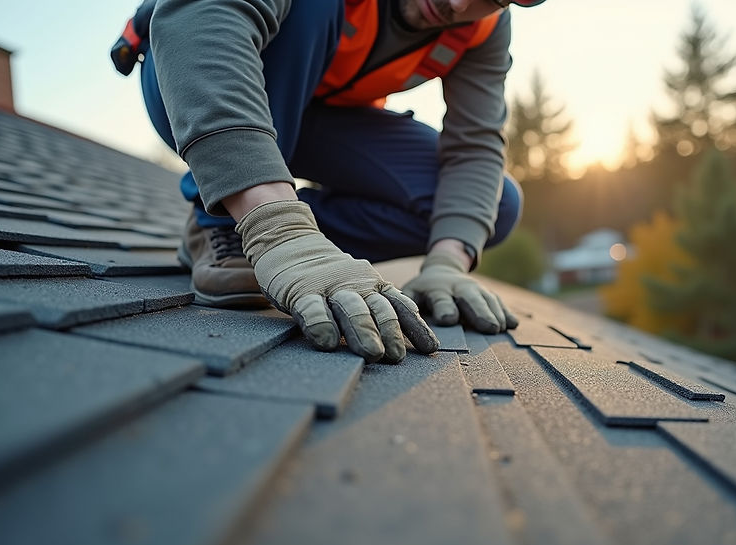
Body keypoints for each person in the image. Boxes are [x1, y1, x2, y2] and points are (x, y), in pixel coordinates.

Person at [114, 0, 545, 364]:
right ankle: (234, 224)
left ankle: (298, 242)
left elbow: (474, 148)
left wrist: (448, 262)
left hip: (314, 118)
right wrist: (275, 227)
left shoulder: (483, 28)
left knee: (494, 205)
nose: (457, 5)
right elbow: (206, 19)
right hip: (196, 68)